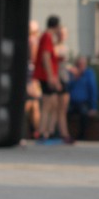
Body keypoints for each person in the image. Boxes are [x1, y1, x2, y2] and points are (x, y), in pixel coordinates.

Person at [33, 15, 67, 143]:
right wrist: (51, 76)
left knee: (52, 103)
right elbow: (46, 57)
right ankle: (42, 132)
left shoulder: (46, 37)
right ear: (56, 26)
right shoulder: (47, 36)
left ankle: (48, 131)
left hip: (45, 75)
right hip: (45, 75)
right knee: (48, 104)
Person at [65, 55, 99, 141]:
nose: (81, 66)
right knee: (64, 113)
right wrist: (74, 78)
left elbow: (93, 90)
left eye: (83, 64)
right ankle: (64, 134)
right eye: (79, 64)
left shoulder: (89, 74)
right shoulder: (72, 74)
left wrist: (93, 107)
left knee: (84, 114)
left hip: (83, 102)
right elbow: (66, 88)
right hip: (71, 102)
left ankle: (82, 136)